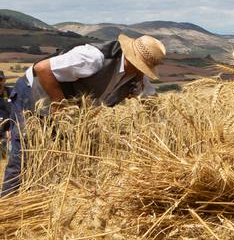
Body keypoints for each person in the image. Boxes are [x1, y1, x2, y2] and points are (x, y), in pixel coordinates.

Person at [2, 33, 166, 196]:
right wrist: (60, 106)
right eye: (142, 67)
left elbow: (152, 103)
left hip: (67, 111)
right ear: (131, 59)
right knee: (24, 155)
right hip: (33, 94)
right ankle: (7, 208)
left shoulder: (137, 78)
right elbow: (43, 69)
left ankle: (38, 201)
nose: (143, 73)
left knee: (56, 158)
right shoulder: (93, 57)